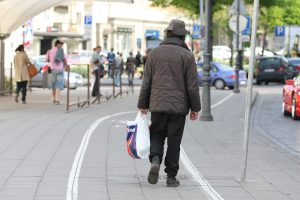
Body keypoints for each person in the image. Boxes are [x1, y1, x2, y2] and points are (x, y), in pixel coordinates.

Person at [137, 19, 201, 187]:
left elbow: (147, 82)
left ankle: (156, 159)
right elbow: (192, 86)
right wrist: (195, 108)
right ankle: (171, 177)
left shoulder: (154, 53)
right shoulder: (188, 56)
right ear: (182, 36)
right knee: (174, 140)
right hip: (179, 107)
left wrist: (143, 104)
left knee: (157, 134)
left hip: (157, 103)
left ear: (167, 33)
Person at [47, 39, 67, 105]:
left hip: (52, 69)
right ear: (58, 44)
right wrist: (66, 66)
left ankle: (53, 99)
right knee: (58, 85)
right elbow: (64, 60)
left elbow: (47, 60)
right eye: (61, 44)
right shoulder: (61, 51)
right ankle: (57, 99)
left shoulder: (49, 51)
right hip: (60, 69)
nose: (61, 46)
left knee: (53, 84)